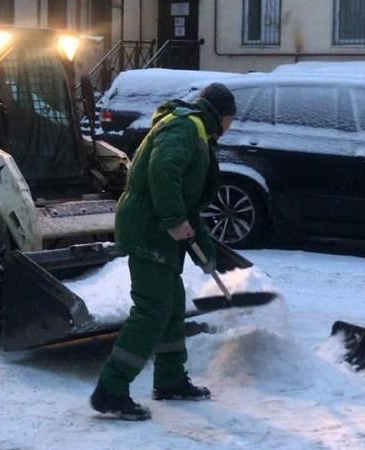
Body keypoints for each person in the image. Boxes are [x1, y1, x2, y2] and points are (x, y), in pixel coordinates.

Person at [90, 83, 236, 420]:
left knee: (171, 306)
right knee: (153, 308)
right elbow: (162, 170)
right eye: (230, 119)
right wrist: (172, 219)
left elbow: (189, 203)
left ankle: (170, 380)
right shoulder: (184, 128)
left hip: (159, 229)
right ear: (221, 115)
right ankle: (110, 389)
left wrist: (205, 254)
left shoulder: (196, 131)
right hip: (148, 229)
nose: (230, 127)